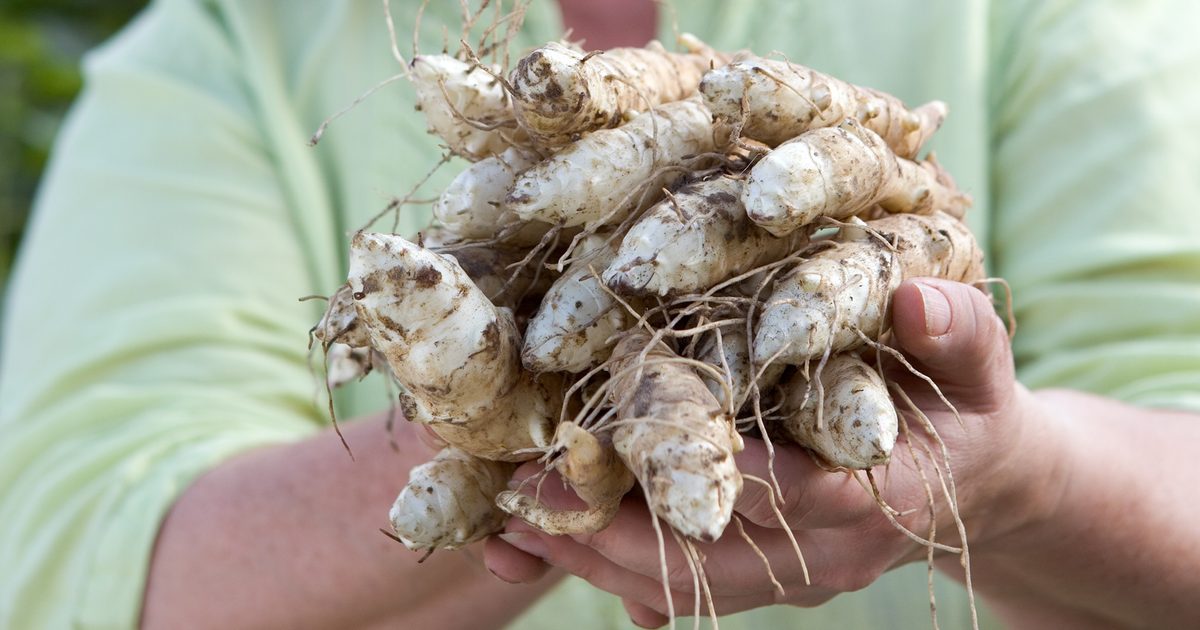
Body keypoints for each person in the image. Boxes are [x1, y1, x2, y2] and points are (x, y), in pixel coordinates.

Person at [1, 0, 1198, 628]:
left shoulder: (1052, 12)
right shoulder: (221, 46)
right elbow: (89, 562)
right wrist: (512, 407)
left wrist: (1025, 477)